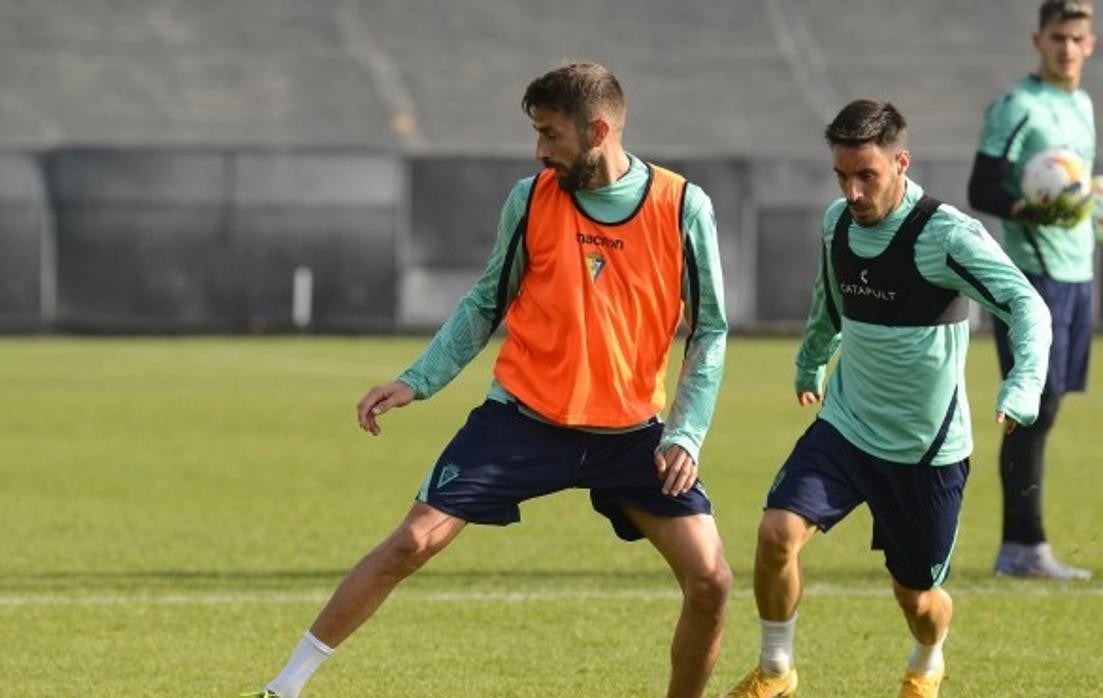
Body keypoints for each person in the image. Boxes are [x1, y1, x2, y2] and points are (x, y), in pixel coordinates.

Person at [242, 62, 732, 698]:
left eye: (551, 135)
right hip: (521, 421)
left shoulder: (682, 206)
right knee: (409, 544)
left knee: (712, 581)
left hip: (630, 435)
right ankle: (282, 689)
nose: (538, 150)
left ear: (598, 130)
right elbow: (485, 302)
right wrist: (418, 379)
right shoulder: (529, 200)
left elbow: (712, 328)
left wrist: (687, 433)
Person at [724, 100, 1052, 698]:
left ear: (901, 162)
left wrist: (1023, 382)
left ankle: (927, 663)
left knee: (917, 596)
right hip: (846, 429)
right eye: (841, 176)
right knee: (775, 534)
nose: (852, 191)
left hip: (925, 451)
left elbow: (1026, 304)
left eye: (866, 175)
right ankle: (776, 670)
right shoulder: (838, 223)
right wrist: (811, 359)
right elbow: (829, 298)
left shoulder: (947, 236)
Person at [967, 0, 1099, 580]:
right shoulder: (1017, 106)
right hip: (1032, 276)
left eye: (1076, 38)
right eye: (1057, 37)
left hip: (1078, 273)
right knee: (1031, 408)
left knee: (1050, 409)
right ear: (1037, 41)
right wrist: (1026, 209)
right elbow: (981, 186)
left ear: (1089, 44)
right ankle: (1022, 547)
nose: (1066, 48)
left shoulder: (1083, 104)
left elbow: (1077, 193)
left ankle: (1026, 548)